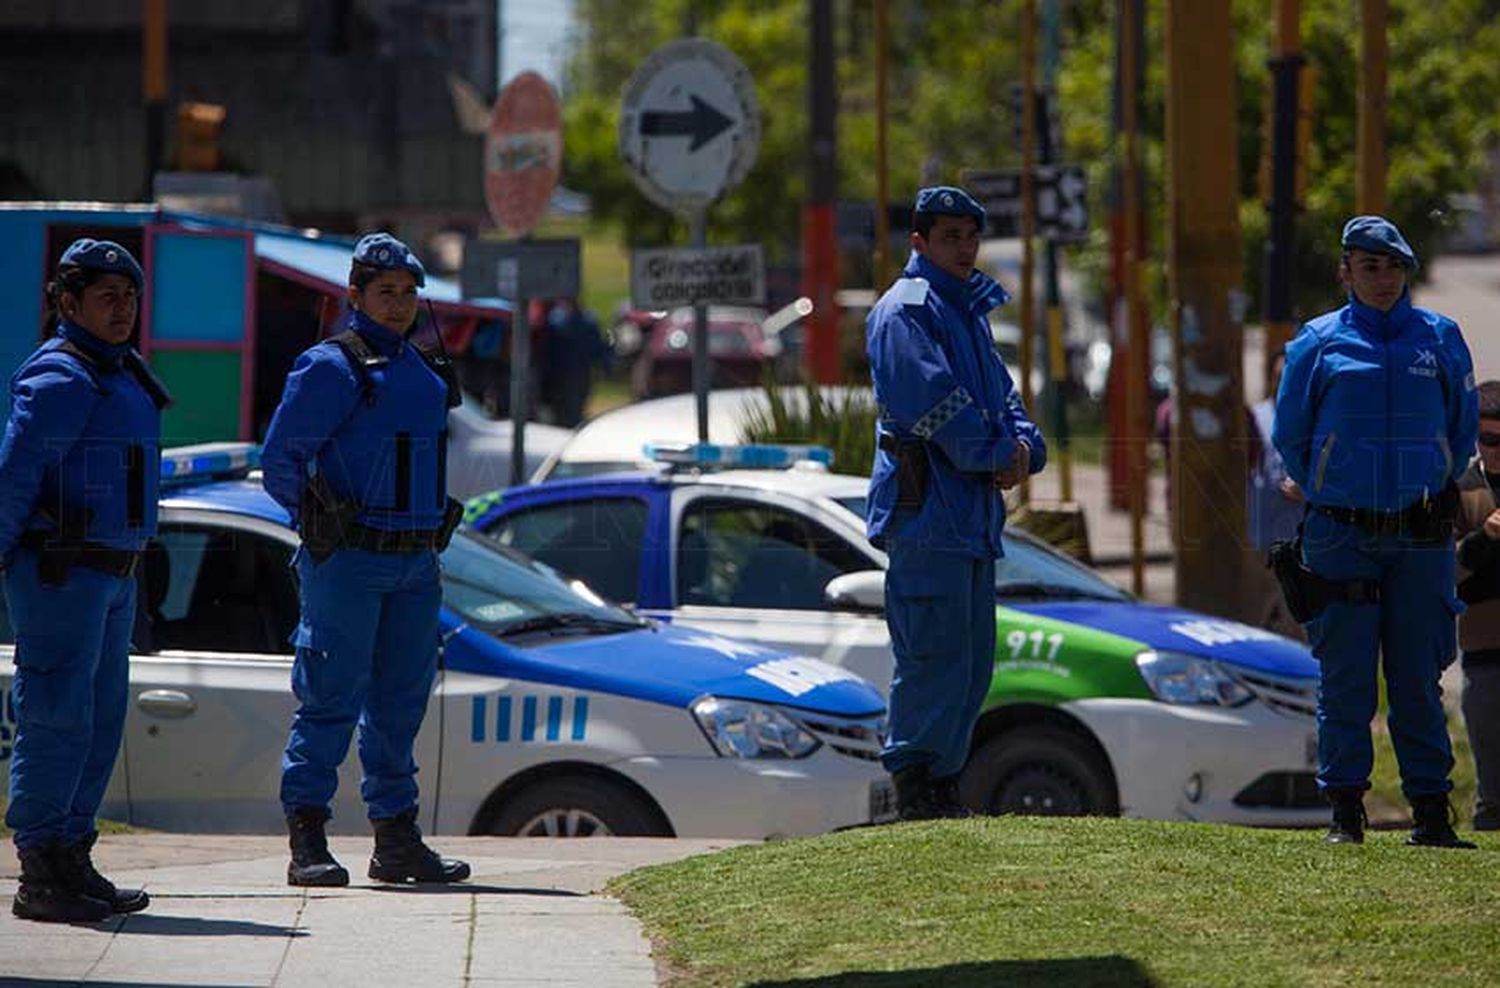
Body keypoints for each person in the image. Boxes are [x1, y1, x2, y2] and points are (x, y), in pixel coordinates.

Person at [261, 232, 469, 886]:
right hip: (350, 559)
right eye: (386, 292)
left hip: (416, 562)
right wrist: (320, 523)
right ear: (353, 296)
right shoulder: (330, 366)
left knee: (401, 706)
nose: (401, 304)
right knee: (328, 699)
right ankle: (308, 840)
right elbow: (280, 462)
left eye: (409, 293)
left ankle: (396, 842)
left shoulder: (421, 368)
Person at [1273, 215, 1478, 847]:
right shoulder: (1317, 342)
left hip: (1420, 535)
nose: (1383, 279)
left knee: (1419, 672)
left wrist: (1431, 478)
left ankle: (1431, 810)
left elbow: (1462, 426)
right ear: (1346, 273)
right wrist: (1332, 487)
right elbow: (1291, 434)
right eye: (1369, 267)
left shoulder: (1440, 338)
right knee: (1346, 673)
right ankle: (1344, 810)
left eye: (1392, 267)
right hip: (1342, 534)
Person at [866, 186, 1046, 821]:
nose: (964, 248)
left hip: (969, 515)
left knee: (971, 661)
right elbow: (938, 406)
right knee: (932, 655)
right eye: (950, 237)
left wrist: (1023, 445)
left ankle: (943, 785)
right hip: (927, 509)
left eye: (971, 237)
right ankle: (916, 787)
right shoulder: (906, 311)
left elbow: (1004, 396)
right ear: (919, 242)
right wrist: (1000, 454)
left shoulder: (967, 310)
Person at [1, 239, 166, 922]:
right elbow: (15, 477)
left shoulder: (118, 371)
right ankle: (42, 871)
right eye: (106, 297)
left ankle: (73, 853)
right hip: (63, 574)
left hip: (112, 575)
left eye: (128, 296)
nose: (122, 309)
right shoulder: (63, 376)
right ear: (68, 304)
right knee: (57, 718)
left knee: (97, 723)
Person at [1453, 379, 1500, 831]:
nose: (1499, 448)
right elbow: (1443, 575)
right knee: (1494, 796)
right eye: (1490, 439)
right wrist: (1483, 538)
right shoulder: (1461, 490)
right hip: (1487, 662)